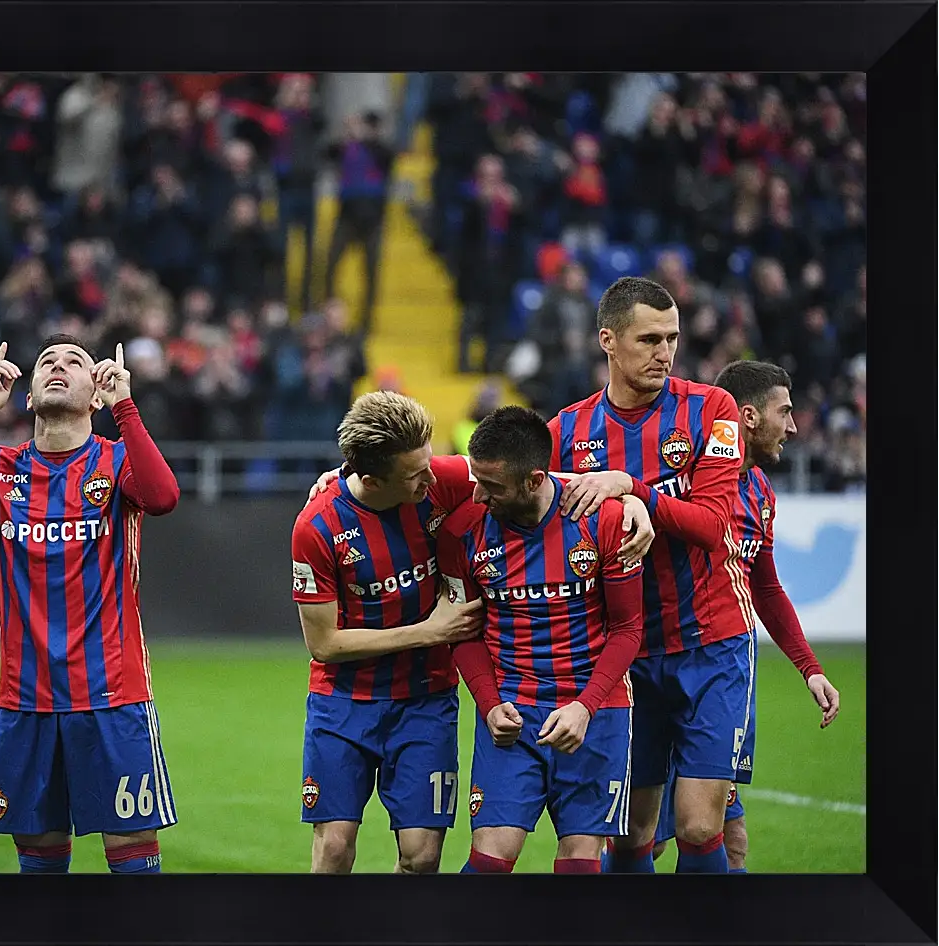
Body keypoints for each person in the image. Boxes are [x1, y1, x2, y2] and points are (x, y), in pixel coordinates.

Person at [0, 335, 181, 874]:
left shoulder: (115, 462)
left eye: (74, 362)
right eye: (46, 363)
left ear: (94, 394)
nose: (57, 367)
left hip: (112, 694)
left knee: (131, 860)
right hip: (27, 700)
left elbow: (163, 498)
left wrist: (125, 407)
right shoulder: (1, 467)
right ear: (31, 397)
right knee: (39, 865)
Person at [547, 276, 752, 873]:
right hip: (628, 656)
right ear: (608, 340)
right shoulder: (568, 432)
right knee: (633, 834)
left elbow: (715, 525)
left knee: (695, 824)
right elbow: (501, 479)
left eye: (673, 339)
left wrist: (631, 487)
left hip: (711, 645)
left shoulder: (710, 409)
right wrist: (349, 479)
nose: (665, 353)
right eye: (649, 340)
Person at [642, 360, 841, 872]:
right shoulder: (681, 477)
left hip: (720, 671)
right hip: (649, 664)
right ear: (747, 416)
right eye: (786, 411)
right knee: (642, 841)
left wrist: (809, 667)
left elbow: (767, 588)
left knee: (724, 835)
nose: (793, 426)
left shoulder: (760, 494)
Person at [437, 407, 650, 874]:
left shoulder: (603, 520)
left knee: (579, 863)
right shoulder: (461, 532)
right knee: (490, 862)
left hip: (595, 712)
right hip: (512, 712)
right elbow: (464, 632)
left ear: (535, 480)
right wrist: (490, 704)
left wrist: (585, 706)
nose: (477, 494)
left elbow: (629, 628)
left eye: (491, 486)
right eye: (476, 479)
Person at [290, 391, 486, 874]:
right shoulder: (316, 527)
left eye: (428, 460)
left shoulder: (440, 479)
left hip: (426, 700)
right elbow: (324, 644)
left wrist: (620, 491)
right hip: (343, 703)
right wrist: (430, 631)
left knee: (422, 857)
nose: (432, 476)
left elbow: (527, 466)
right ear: (372, 479)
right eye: (415, 473)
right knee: (334, 848)